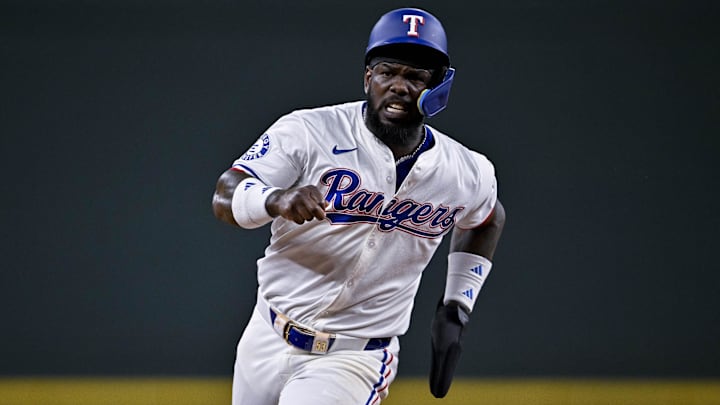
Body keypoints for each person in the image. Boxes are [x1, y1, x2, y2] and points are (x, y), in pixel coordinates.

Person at [212, 7, 505, 405]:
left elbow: (487, 217)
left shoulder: (464, 171)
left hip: (353, 358)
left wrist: (457, 303)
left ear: (439, 88)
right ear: (368, 78)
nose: (399, 86)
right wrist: (274, 199)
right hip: (265, 333)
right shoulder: (309, 131)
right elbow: (226, 194)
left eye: (416, 77)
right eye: (388, 72)